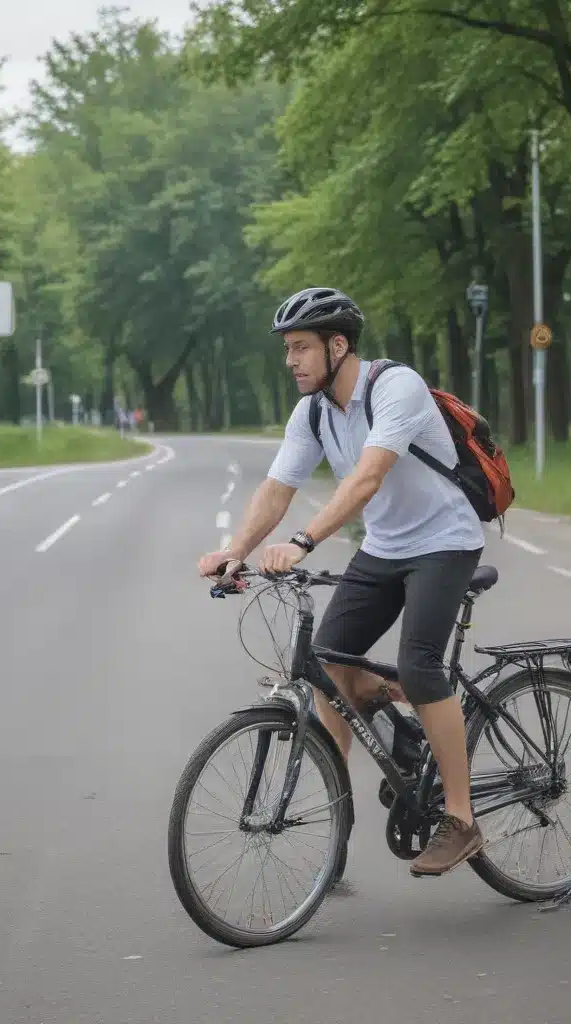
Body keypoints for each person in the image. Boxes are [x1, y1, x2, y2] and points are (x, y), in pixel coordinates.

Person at [196, 286, 487, 878]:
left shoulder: (394, 388)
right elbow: (277, 487)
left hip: (444, 542)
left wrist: (303, 543)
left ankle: (461, 820)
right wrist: (237, 551)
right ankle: (352, 805)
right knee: (329, 669)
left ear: (338, 345)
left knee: (421, 663)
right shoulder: (313, 411)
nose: (291, 361)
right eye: (287, 350)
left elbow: (367, 479)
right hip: (384, 547)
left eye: (301, 347)